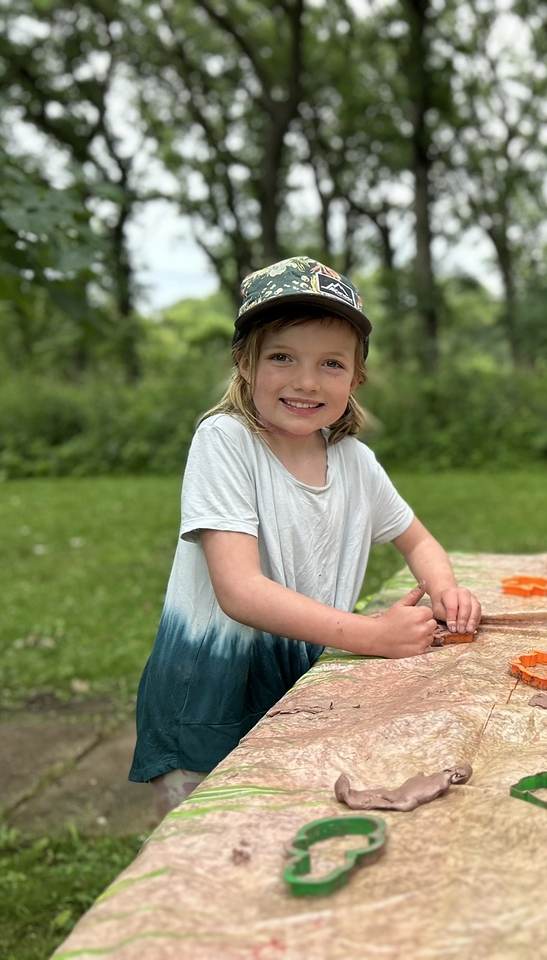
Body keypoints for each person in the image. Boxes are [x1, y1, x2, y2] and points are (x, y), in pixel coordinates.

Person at [130, 256, 481, 815]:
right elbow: (239, 590)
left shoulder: (356, 463)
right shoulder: (224, 441)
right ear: (244, 362)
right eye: (282, 357)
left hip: (299, 686)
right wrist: (371, 636)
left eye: (331, 363)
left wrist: (446, 591)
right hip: (213, 692)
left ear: (356, 377)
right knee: (217, 847)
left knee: (288, 828)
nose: (306, 381)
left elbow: (417, 540)